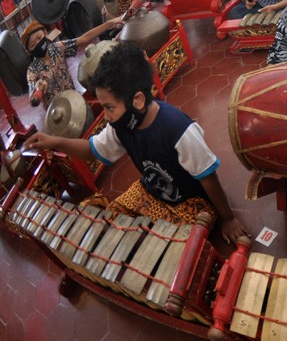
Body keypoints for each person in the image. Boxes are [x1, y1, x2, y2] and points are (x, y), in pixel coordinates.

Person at [24, 43, 248, 244]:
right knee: (107, 220)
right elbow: (92, 150)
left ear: (138, 100)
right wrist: (53, 141)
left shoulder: (179, 130)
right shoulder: (122, 126)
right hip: (151, 191)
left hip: (190, 201)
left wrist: (228, 219)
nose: (106, 116)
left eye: (109, 107)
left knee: (170, 245)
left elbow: (208, 178)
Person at [22, 18, 123, 107]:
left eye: (39, 38)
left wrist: (110, 23)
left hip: (75, 102)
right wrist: (38, 90)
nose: (38, 44)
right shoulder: (32, 70)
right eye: (32, 45)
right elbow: (33, 99)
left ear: (45, 33)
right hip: (56, 115)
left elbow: (84, 38)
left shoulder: (57, 48)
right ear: (29, 51)